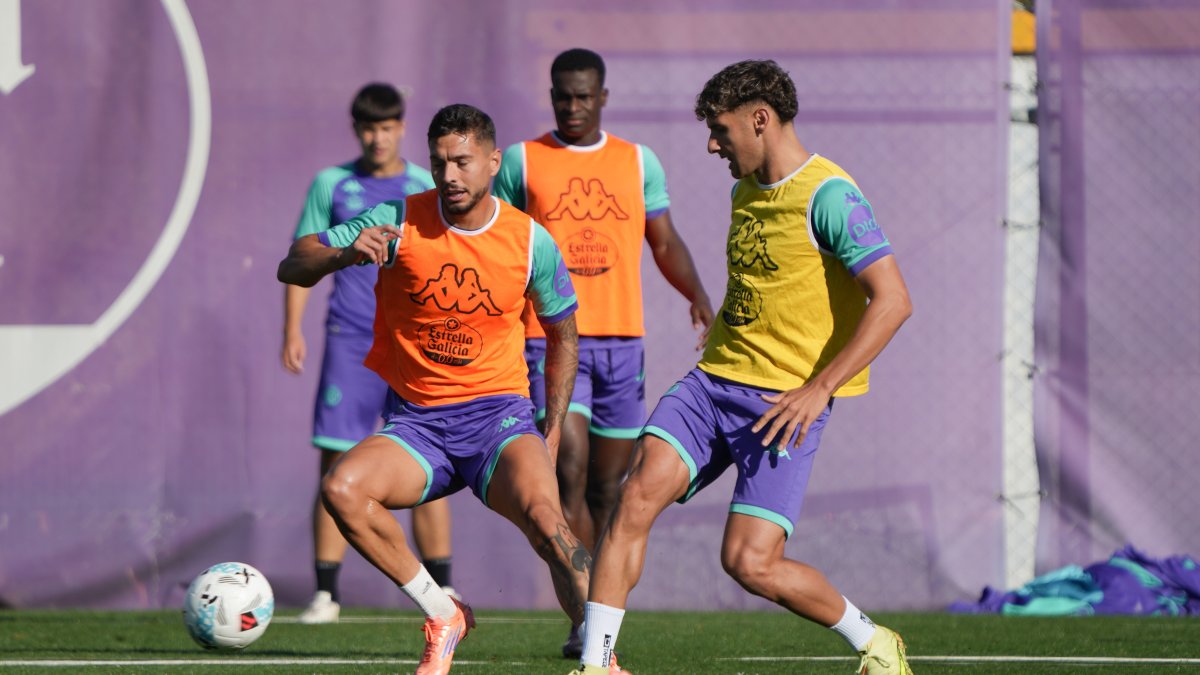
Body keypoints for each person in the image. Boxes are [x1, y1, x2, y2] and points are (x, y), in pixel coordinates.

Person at [570, 60, 916, 675]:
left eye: (720, 130)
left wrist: (819, 389)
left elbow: (893, 300)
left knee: (750, 564)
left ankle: (873, 641)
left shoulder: (829, 195)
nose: (711, 145)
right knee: (636, 495)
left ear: (760, 119)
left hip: (782, 408)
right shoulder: (743, 190)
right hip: (711, 386)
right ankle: (599, 665)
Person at [278, 103, 592, 675]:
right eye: (440, 162)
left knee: (552, 526)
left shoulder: (530, 242)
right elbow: (293, 263)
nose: (449, 175)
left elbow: (563, 335)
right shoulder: (397, 218)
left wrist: (549, 430)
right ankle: (443, 613)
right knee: (342, 488)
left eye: (463, 162)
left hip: (499, 420)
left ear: (492, 163)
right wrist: (347, 252)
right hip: (419, 425)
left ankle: (599, 655)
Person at [492, 48, 712, 658]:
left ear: (603, 98)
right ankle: (584, 618)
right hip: (551, 341)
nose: (573, 106)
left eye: (584, 96)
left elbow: (663, 240)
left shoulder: (639, 162)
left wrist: (697, 296)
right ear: (552, 94)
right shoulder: (521, 160)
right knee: (567, 468)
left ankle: (601, 614)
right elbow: (500, 243)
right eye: (562, 95)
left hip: (624, 345)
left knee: (610, 490)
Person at [282, 83, 458, 624]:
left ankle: (444, 590)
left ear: (401, 128)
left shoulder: (421, 188)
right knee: (336, 461)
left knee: (427, 467)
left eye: (386, 127)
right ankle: (326, 594)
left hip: (410, 345)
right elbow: (303, 257)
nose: (377, 137)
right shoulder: (332, 184)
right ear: (356, 129)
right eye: (367, 128)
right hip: (349, 341)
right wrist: (293, 329)